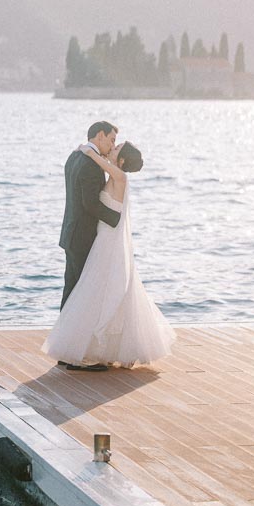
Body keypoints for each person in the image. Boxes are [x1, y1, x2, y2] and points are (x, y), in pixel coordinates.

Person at [44, 138, 175, 370]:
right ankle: (92, 346)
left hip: (107, 242)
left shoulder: (120, 177)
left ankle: (89, 349)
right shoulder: (116, 175)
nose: (111, 149)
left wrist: (88, 151)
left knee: (97, 293)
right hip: (102, 239)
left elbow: (97, 160)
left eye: (116, 149)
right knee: (99, 292)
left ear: (121, 159)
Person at [58, 121, 122, 312]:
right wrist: (117, 219)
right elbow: (90, 204)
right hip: (83, 238)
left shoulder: (74, 156)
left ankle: (64, 334)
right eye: (111, 140)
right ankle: (71, 336)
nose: (112, 145)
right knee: (81, 292)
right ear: (100, 135)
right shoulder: (91, 164)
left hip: (70, 233)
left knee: (71, 289)